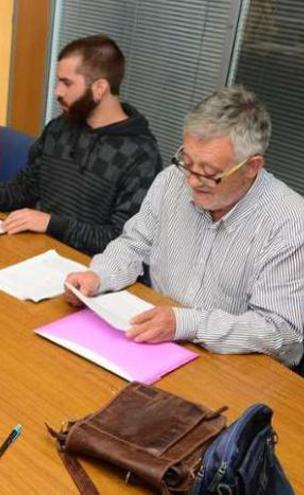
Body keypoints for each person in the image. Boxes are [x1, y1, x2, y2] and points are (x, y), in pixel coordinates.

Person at [65, 87, 304, 371]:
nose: (191, 181)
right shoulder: (171, 181)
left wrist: (186, 323)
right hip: (157, 343)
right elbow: (134, 244)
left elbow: (280, 330)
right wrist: (98, 276)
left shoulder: (290, 222)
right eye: (187, 162)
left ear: (252, 166)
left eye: (209, 172)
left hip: (236, 366)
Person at [0, 35, 162, 255]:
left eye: (67, 83)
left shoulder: (140, 155)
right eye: (58, 81)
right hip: (39, 251)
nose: (57, 92)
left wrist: (51, 224)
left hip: (90, 272)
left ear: (100, 88)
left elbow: (122, 241)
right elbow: (28, 185)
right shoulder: (59, 128)